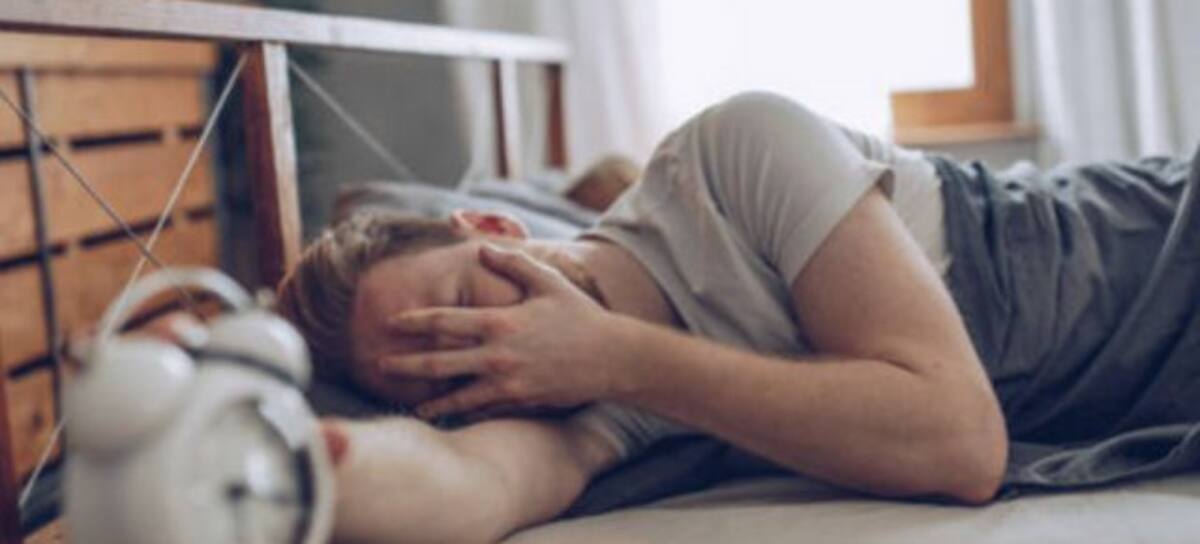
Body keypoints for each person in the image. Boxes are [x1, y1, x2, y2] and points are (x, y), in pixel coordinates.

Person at [276, 91, 1200, 543]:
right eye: (446, 375)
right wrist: (274, 458)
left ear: (492, 228)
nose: (496, 352)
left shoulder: (730, 157)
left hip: (1148, 244)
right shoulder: (572, 401)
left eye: (467, 311)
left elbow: (958, 440)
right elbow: (462, 486)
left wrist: (621, 357)